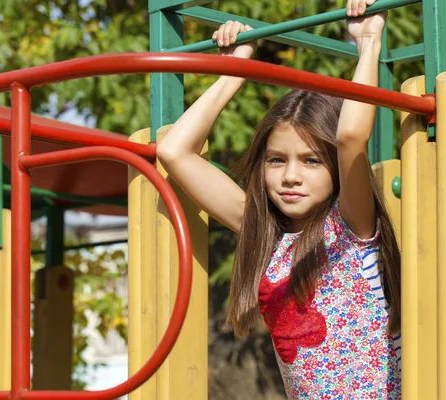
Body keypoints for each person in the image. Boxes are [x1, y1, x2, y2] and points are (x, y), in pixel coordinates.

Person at [157, 0, 402, 398]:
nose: (290, 176)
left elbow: (351, 137)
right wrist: (232, 73)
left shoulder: (350, 227)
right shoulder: (265, 236)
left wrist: (370, 41)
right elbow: (174, 153)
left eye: (311, 161)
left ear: (336, 169)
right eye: (276, 160)